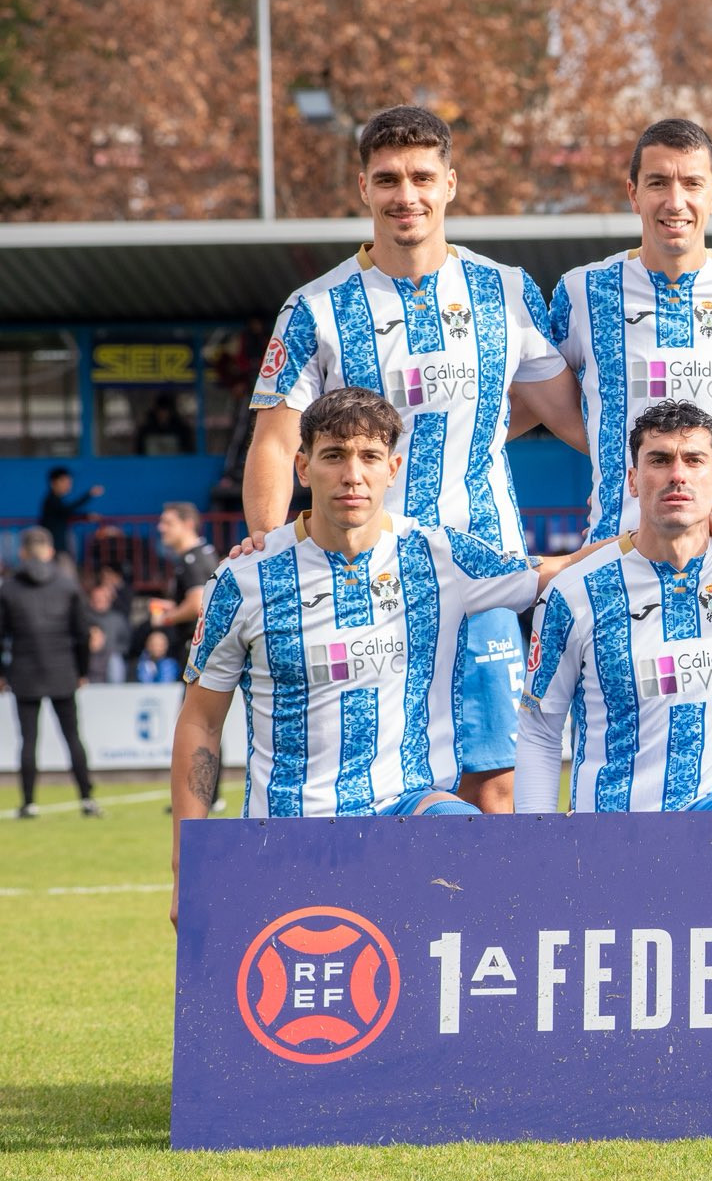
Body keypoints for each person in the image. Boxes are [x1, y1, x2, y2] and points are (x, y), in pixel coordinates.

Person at [241, 105, 590, 815]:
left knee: (494, 781)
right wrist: (270, 547)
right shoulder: (315, 308)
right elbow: (276, 442)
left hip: (483, 570)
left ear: (450, 184)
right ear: (363, 188)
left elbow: (571, 418)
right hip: (363, 580)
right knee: (373, 787)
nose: (407, 195)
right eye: (388, 179)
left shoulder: (505, 290)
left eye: (423, 177)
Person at [172, 389, 598, 924]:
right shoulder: (243, 580)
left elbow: (560, 569)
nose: (353, 475)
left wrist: (667, 533)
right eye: (334, 456)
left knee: (482, 853)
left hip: (407, 811)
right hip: (290, 831)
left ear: (392, 469)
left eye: (370, 456)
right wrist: (186, 866)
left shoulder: (437, 554)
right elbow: (201, 722)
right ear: (303, 467)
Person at [547, 117, 712, 807]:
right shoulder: (582, 292)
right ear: (632, 192)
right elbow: (538, 402)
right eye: (658, 182)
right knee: (614, 746)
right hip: (619, 556)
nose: (675, 200)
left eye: (692, 183)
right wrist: (619, 456)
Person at [515, 401, 712, 814]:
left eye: (694, 460)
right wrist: (540, 840)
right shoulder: (575, 591)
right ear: (633, 480)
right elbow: (539, 729)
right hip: (613, 831)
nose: (678, 474)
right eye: (659, 460)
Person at [0, 528, 96, 818]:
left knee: (28, 739)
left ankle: (29, 803)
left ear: (22, 552)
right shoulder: (68, 585)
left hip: (24, 671)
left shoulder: (8, 588)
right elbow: (83, 634)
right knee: (73, 736)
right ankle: (87, 799)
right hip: (63, 670)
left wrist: (2, 673)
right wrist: (82, 670)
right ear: (50, 551)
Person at [151, 502, 219, 670]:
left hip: (198, 649)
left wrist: (165, 618)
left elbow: (196, 605)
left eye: (168, 523)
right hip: (205, 648)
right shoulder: (202, 553)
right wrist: (173, 606)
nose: (161, 528)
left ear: (188, 524)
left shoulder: (192, 559)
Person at [37, 468, 101, 560]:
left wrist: (85, 517)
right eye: (65, 482)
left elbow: (66, 513)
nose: (69, 486)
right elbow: (66, 511)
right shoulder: (51, 500)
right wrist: (88, 495)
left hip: (58, 545)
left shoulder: (56, 500)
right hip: (54, 546)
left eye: (70, 483)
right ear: (54, 482)